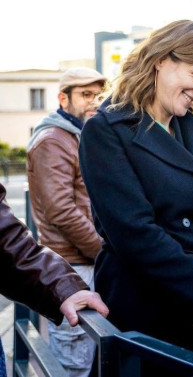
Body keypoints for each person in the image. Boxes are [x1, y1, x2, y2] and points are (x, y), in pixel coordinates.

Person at [78, 20, 193, 369]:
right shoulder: (106, 130)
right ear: (161, 61)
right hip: (148, 309)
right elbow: (133, 233)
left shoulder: (188, 128)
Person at [26, 67, 106, 377]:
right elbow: (61, 211)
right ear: (63, 98)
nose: (93, 102)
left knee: (88, 359)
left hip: (82, 264)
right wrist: (104, 251)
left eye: (97, 95)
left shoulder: (76, 135)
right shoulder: (53, 140)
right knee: (74, 365)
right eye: (85, 95)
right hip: (74, 266)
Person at [0, 182, 108, 377]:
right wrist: (101, 250)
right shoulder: (49, 149)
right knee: (74, 361)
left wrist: (62, 285)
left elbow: (5, 238)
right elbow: (59, 208)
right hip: (77, 256)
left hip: (75, 262)